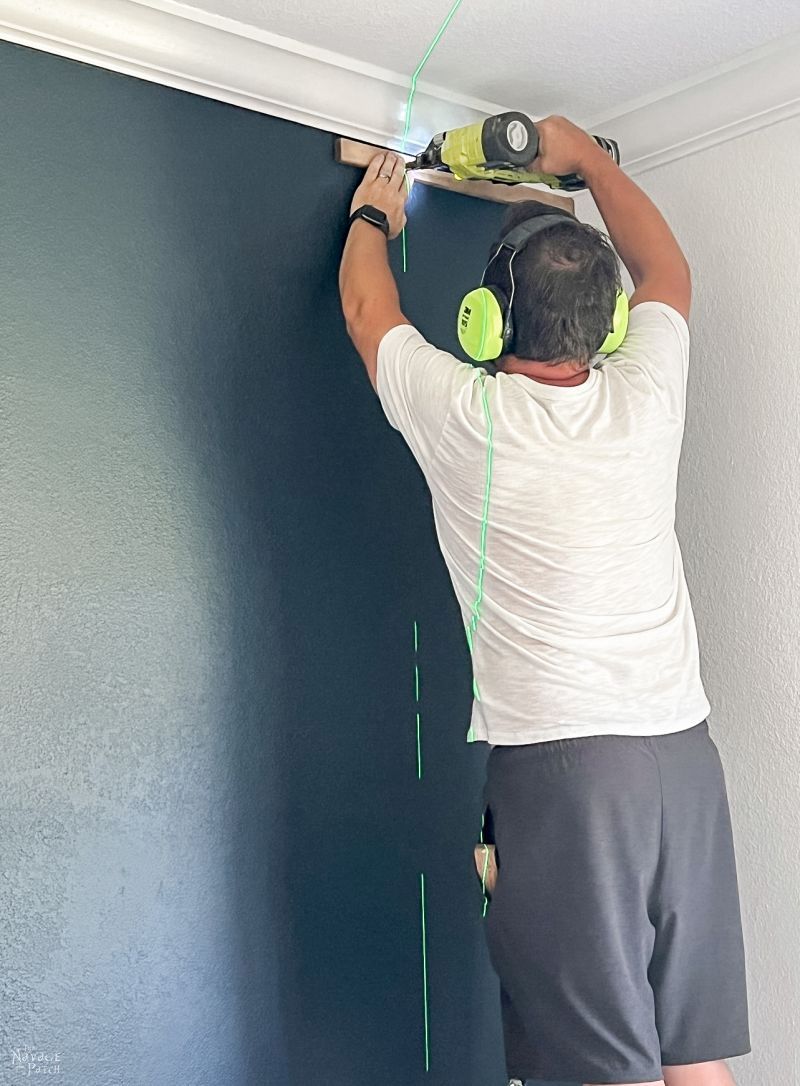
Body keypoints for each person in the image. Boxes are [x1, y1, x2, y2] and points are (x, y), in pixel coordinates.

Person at [338, 115, 750, 1086]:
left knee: (595, 1070)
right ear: (607, 327)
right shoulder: (646, 392)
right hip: (681, 762)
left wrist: (369, 215)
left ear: (484, 321)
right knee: (692, 1061)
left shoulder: (468, 418)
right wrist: (589, 161)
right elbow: (669, 274)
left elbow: (368, 315)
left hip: (569, 778)